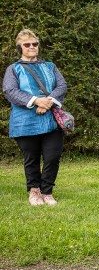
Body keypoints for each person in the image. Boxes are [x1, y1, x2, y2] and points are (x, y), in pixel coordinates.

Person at [2, 29, 67, 206]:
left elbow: (61, 86)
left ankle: (47, 191)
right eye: (27, 44)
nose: (32, 47)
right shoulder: (13, 69)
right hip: (25, 122)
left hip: (51, 121)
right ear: (20, 48)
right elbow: (10, 90)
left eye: (34, 44)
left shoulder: (50, 66)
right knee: (31, 158)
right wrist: (35, 101)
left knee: (52, 157)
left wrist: (47, 102)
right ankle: (34, 191)